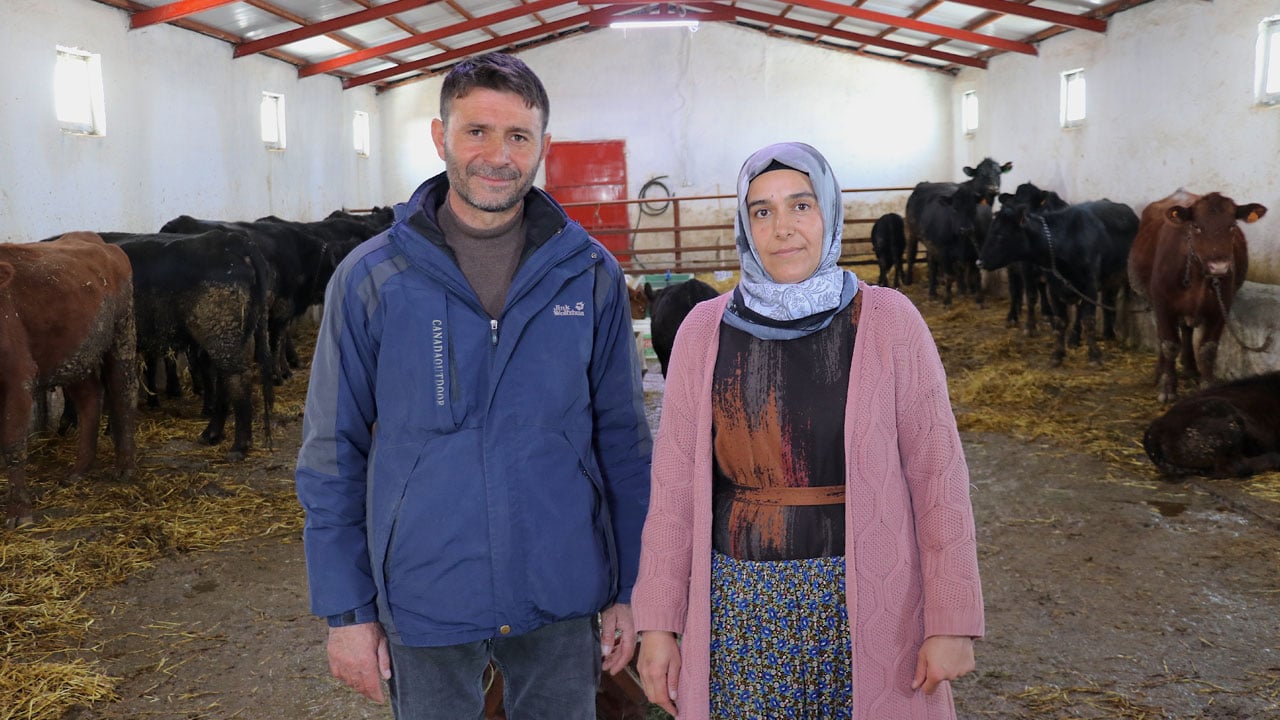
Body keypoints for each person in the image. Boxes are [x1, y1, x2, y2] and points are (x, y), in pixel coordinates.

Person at [294, 52, 652, 720]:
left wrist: (634, 587)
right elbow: (331, 453)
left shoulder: (589, 275)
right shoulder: (374, 279)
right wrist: (346, 611)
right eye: (477, 132)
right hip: (426, 591)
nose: (498, 155)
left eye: (518, 136)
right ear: (440, 137)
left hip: (561, 584)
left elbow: (626, 444)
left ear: (542, 146)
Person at [632, 142, 984, 719]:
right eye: (762, 211)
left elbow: (938, 479)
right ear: (745, 226)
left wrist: (950, 620)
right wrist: (659, 624)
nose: (783, 228)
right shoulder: (704, 331)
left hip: (867, 600)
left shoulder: (889, 322)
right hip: (740, 607)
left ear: (829, 212)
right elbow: (672, 493)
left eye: (801, 205)